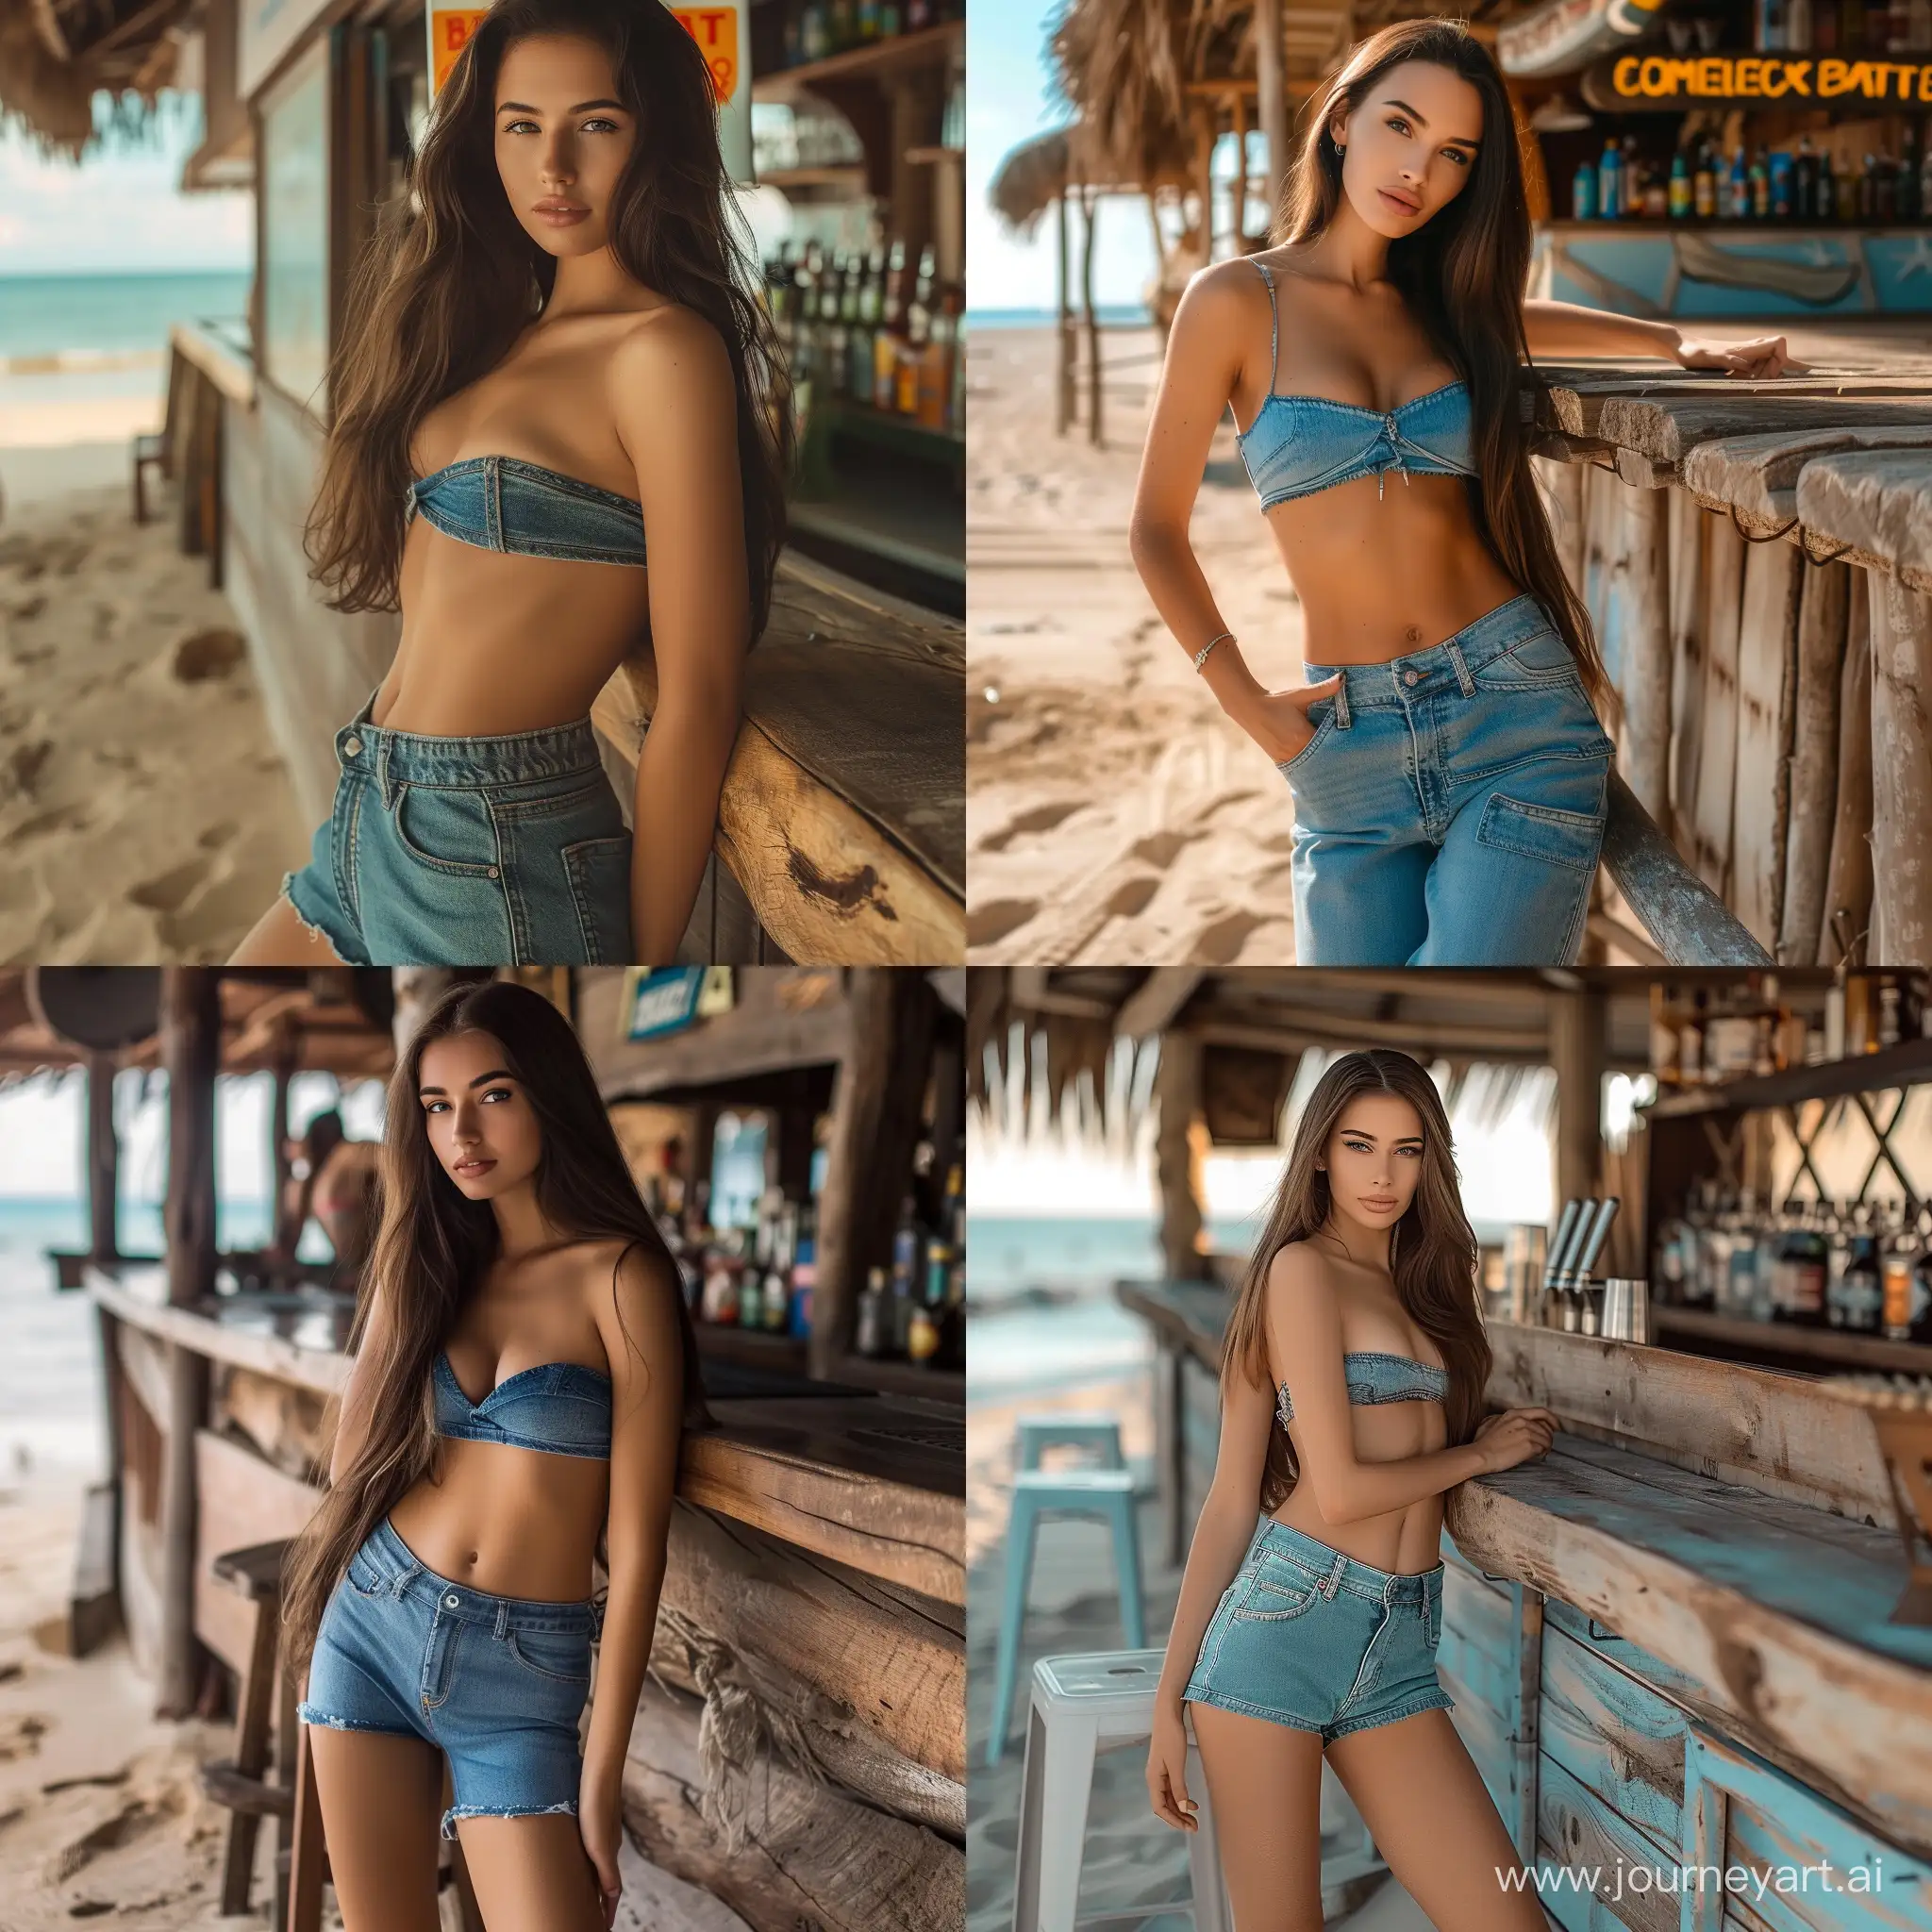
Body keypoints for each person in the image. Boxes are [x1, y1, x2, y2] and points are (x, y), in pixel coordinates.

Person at [1128, 18, 1805, 966]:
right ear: (1339, 123)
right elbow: (1155, 530)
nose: (1418, 172)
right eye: (1398, 127)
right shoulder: (1234, 301)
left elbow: (1516, 317)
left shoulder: (1443, 305)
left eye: (1453, 154)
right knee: (1360, 1024)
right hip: (1343, 742)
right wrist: (1243, 700)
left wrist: (1670, 345)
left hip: (1512, 709)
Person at [229, 0, 791, 968]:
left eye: (596, 125)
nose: (553, 168)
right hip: (369, 810)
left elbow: (698, 691)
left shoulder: (661, 354)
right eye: (521, 125)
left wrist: (640, 961)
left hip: (495, 848)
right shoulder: (495, 332)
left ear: (657, 135)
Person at [280, 979, 709, 1928]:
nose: (461, 1131)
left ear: (548, 1092)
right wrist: (322, 1611)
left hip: (523, 1676)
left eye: (493, 1094)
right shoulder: (425, 1259)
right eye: (436, 1106)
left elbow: (638, 1552)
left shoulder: (620, 1274)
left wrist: (601, 1782)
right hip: (373, 1626)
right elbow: (352, 1467)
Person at [1144, 1048, 1559, 1930]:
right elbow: (1301, 1496)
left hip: (1401, 1646)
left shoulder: (1426, 1288)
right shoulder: (1299, 1272)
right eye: (1360, 1145)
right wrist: (1166, 1701)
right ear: (1321, 1153)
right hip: (1285, 1633)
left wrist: (1478, 1431)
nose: (1384, 1174)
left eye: (1407, 1150)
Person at [273, 1109, 380, 1290]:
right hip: (355, 1278)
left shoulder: (352, 1154)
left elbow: (402, 1164)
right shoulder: (309, 1185)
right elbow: (288, 1240)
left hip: (372, 1276)